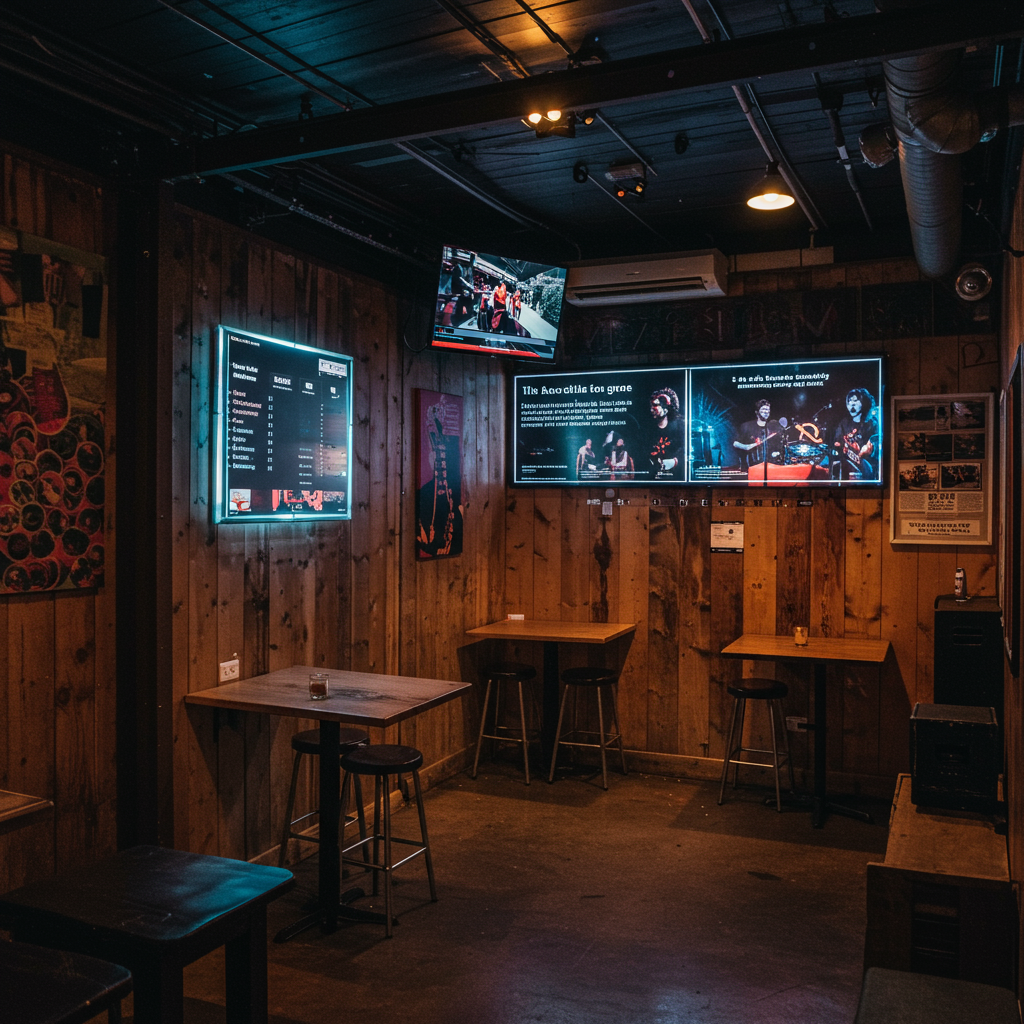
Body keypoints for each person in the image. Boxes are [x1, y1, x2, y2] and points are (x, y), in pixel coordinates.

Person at [830, 388, 880, 479]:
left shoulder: (872, 424)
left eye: (855, 401)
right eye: (849, 401)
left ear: (864, 402)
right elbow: (837, 443)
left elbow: (877, 445)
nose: (851, 404)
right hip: (845, 471)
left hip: (867, 474)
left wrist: (870, 450)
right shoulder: (844, 423)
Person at [733, 396, 783, 468]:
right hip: (751, 466)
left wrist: (777, 452)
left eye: (767, 410)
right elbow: (735, 443)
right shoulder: (747, 426)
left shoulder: (774, 427)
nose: (766, 412)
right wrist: (746, 447)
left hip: (771, 466)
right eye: (763, 409)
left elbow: (780, 445)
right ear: (757, 412)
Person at [646, 388, 685, 479]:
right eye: (651, 406)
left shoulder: (680, 426)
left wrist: (674, 462)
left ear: (666, 408)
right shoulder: (648, 429)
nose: (651, 409)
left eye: (655, 405)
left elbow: (687, 453)